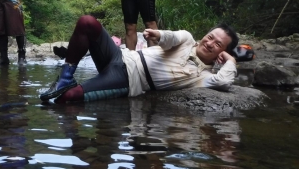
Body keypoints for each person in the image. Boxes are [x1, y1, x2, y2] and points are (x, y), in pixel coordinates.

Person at [40, 16, 238, 103]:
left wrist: (232, 61)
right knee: (87, 22)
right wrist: (158, 35)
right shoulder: (187, 39)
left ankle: (73, 135)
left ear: (222, 52)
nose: (211, 43)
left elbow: (224, 81)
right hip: (122, 55)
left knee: (68, 98)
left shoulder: (202, 76)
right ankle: (65, 78)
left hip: (128, 78)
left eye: (218, 44)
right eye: (211, 37)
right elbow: (171, 37)